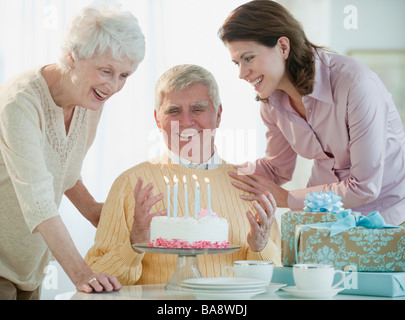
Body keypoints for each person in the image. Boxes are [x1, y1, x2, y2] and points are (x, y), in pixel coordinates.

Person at [85, 64, 281, 285]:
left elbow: (275, 282)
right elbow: (97, 278)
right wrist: (134, 244)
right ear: (157, 119)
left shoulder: (249, 184)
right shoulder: (130, 184)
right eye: (174, 110)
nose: (186, 121)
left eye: (198, 109)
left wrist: (261, 247)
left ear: (218, 115)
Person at [0, 3, 145, 299]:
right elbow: (37, 197)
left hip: (29, 268)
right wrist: (82, 274)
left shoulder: (89, 98)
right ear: (72, 58)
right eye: (106, 70)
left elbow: (63, 170)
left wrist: (95, 212)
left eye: (124, 76)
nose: (114, 86)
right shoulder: (20, 104)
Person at [218, 0, 405, 226]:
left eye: (248, 58)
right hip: (325, 219)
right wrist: (217, 172)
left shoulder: (356, 85)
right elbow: (277, 168)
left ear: (283, 47)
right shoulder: (271, 102)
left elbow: (365, 188)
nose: (241, 73)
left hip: (386, 220)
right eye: (236, 62)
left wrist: (287, 198)